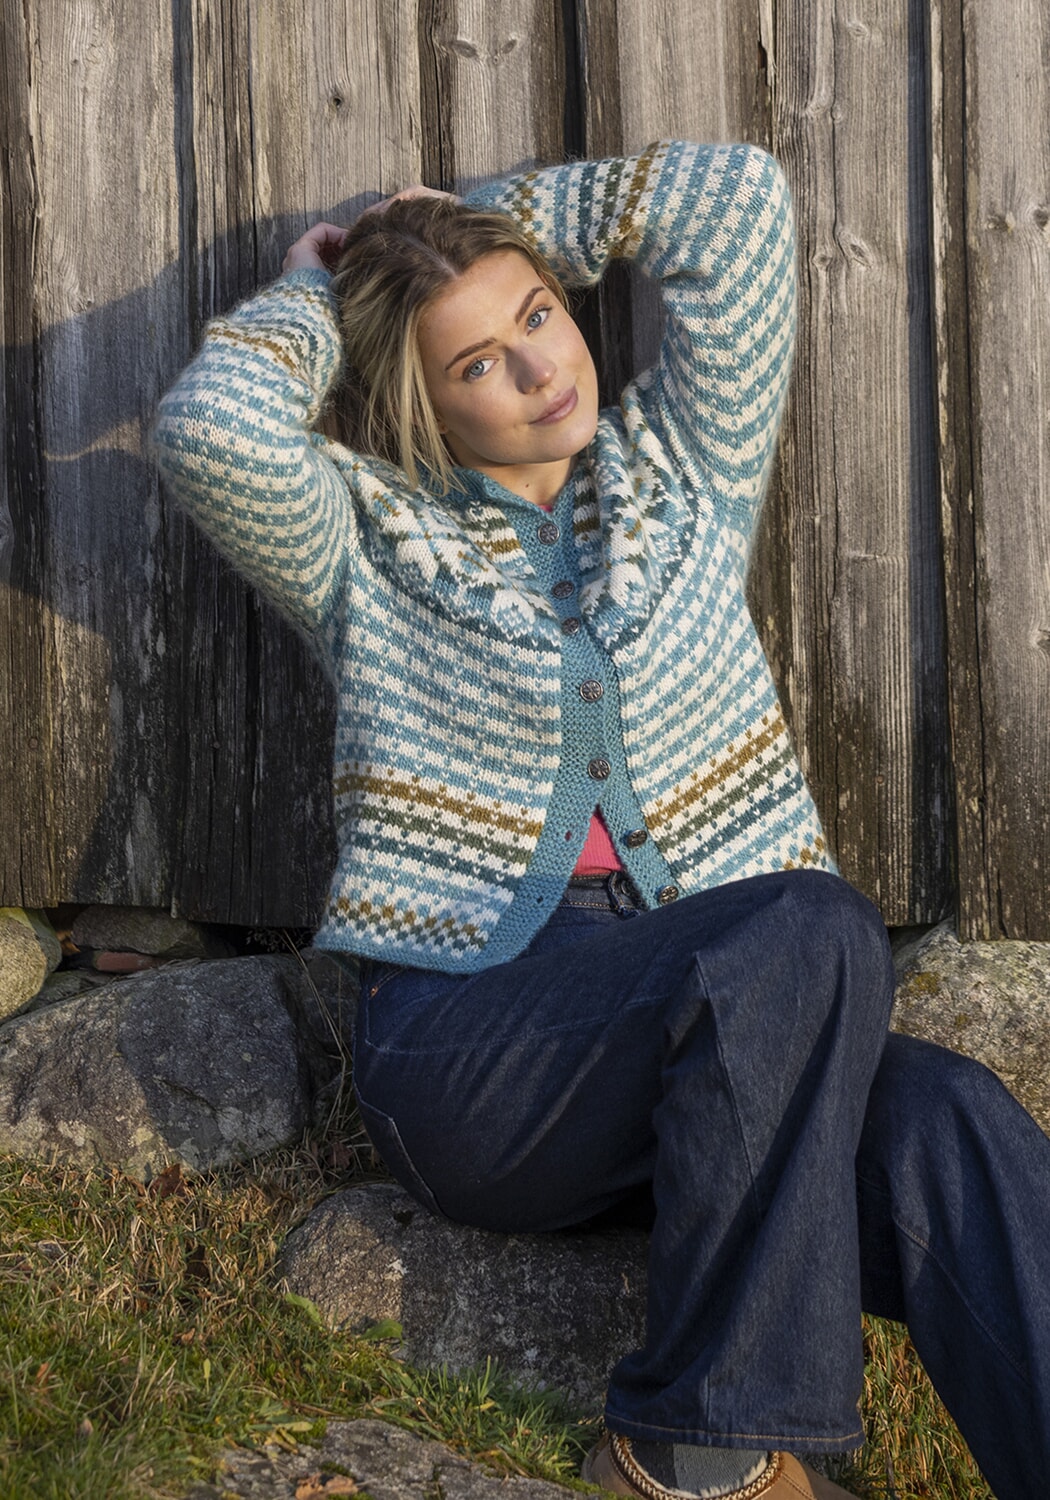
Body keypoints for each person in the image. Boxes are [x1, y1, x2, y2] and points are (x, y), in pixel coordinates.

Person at [155, 140, 1050, 1500]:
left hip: (730, 1037)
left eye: (537, 314)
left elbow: (736, 204)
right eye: (478, 363)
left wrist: (480, 222)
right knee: (806, 927)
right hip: (483, 1045)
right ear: (421, 402)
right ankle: (703, 1452)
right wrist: (315, 289)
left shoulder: (684, 469)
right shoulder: (361, 542)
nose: (538, 367)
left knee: (950, 1118)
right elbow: (210, 434)